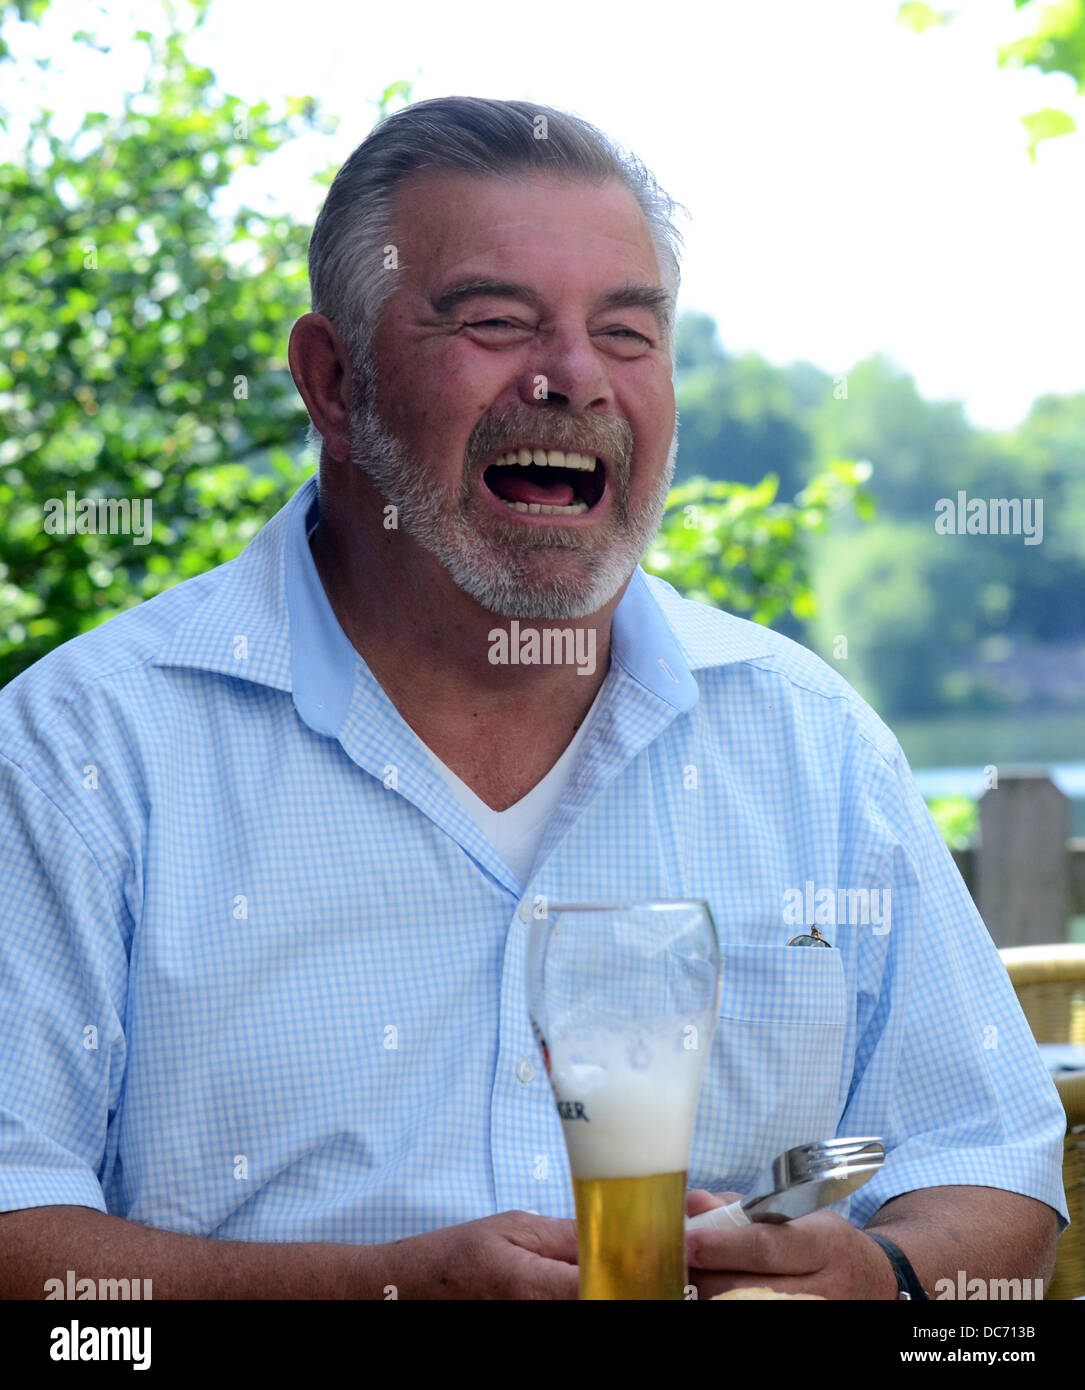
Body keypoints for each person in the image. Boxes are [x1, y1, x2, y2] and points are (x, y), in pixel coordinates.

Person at [0, 96, 1068, 1300]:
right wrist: (375, 1292)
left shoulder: (808, 743)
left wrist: (878, 1279)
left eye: (626, 334)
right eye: (497, 322)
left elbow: (989, 1169)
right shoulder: (78, 753)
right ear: (334, 383)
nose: (571, 379)